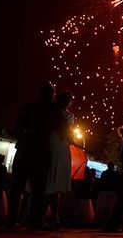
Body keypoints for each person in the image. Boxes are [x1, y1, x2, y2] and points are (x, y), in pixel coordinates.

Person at [6, 82, 56, 230]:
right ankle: (34, 221)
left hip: (24, 150)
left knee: (17, 189)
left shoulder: (28, 107)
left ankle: (11, 220)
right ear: (51, 94)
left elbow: (18, 127)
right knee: (38, 190)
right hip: (40, 153)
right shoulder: (52, 109)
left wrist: (27, 136)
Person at [44, 91, 74, 228]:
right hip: (60, 147)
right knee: (56, 183)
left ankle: (46, 215)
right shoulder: (68, 116)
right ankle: (54, 216)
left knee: (49, 181)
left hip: (51, 144)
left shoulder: (49, 111)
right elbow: (69, 135)